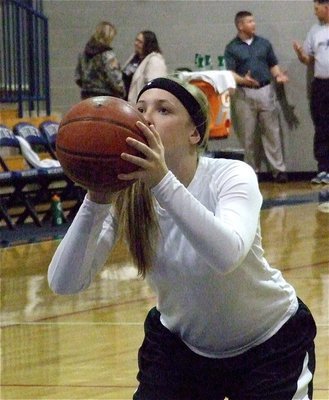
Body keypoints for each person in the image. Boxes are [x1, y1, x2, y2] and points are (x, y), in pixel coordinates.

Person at [48, 77, 316, 400]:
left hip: (271, 345)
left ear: (195, 133)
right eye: (140, 108)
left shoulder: (231, 175)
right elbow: (64, 282)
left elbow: (227, 254)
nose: (146, 118)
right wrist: (96, 198)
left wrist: (162, 181)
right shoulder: (128, 195)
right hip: (182, 349)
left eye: (163, 110)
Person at [225, 11, 289, 183]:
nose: (254, 24)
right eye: (250, 21)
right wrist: (242, 79)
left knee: (272, 133)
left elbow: (273, 64)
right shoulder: (232, 48)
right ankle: (252, 172)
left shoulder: (264, 44)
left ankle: (279, 170)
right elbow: (230, 72)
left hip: (265, 91)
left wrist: (278, 76)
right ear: (240, 25)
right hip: (244, 94)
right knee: (248, 135)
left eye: (253, 21)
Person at [293, 0, 329, 184]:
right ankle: (323, 169)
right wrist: (300, 53)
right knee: (322, 126)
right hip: (321, 85)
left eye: (317, 9)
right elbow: (308, 59)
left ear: (326, 7)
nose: (315, 12)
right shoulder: (315, 30)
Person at [74, 21, 125, 99]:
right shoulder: (108, 55)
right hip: (105, 98)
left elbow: (78, 77)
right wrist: (122, 91)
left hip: (86, 97)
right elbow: (114, 78)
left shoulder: (83, 53)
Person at [122, 30, 167, 103]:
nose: (136, 43)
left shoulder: (155, 60)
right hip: (127, 101)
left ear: (147, 44)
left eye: (140, 42)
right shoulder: (135, 57)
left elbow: (155, 87)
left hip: (141, 104)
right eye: (136, 40)